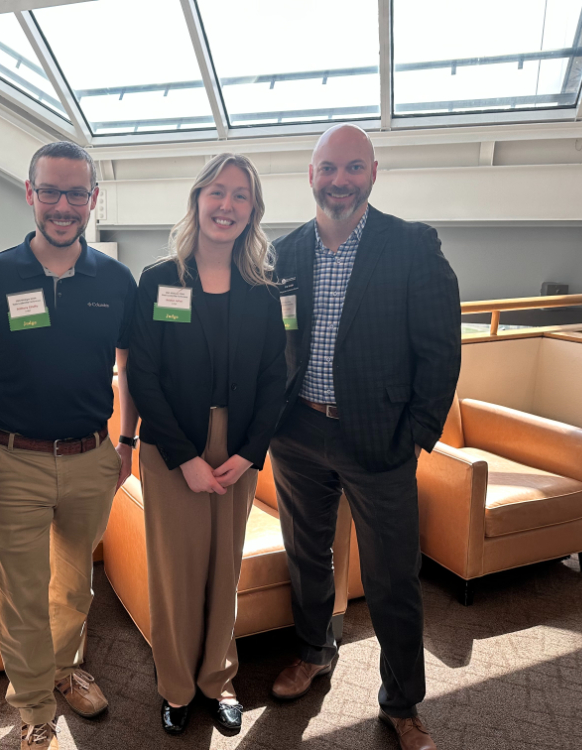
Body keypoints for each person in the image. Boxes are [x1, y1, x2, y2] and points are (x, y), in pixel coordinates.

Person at [267, 124, 461, 750]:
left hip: (379, 439)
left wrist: (416, 436)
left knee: (392, 577)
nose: (340, 180)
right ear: (312, 176)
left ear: (372, 173)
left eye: (353, 168)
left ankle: (401, 704)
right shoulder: (284, 253)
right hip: (297, 434)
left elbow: (440, 351)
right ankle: (313, 652)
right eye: (329, 168)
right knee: (306, 554)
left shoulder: (412, 245)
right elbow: (273, 343)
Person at [0, 141, 138, 750]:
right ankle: (34, 708)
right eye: (51, 191)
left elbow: (131, 367)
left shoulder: (116, 280)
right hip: (12, 460)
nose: (63, 206)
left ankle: (65, 670)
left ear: (93, 199)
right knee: (19, 597)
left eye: (76, 193)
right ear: (30, 193)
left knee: (72, 588)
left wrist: (126, 442)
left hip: (92, 458)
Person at [128, 154, 287, 735]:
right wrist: (185, 458)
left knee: (226, 568)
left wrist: (248, 454)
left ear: (253, 211)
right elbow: (143, 376)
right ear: (197, 200)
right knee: (175, 572)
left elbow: (276, 378)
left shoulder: (262, 289)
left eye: (240, 196)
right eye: (217, 192)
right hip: (173, 445)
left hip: (239, 444)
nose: (227, 205)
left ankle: (218, 680)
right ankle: (174, 686)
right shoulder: (158, 280)